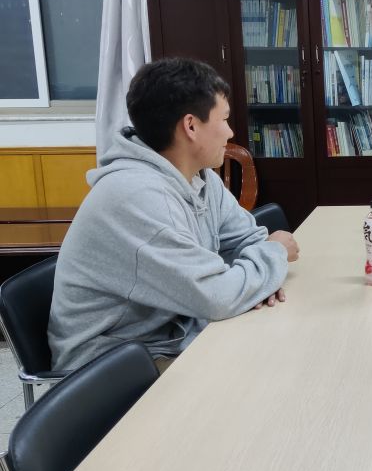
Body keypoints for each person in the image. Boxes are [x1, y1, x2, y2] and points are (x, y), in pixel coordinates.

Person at [49, 57, 300, 372]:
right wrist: (273, 256)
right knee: (264, 370)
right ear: (191, 126)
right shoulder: (137, 197)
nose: (230, 131)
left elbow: (245, 240)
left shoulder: (199, 175)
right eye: (224, 119)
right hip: (112, 367)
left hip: (174, 333)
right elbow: (217, 296)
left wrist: (258, 281)